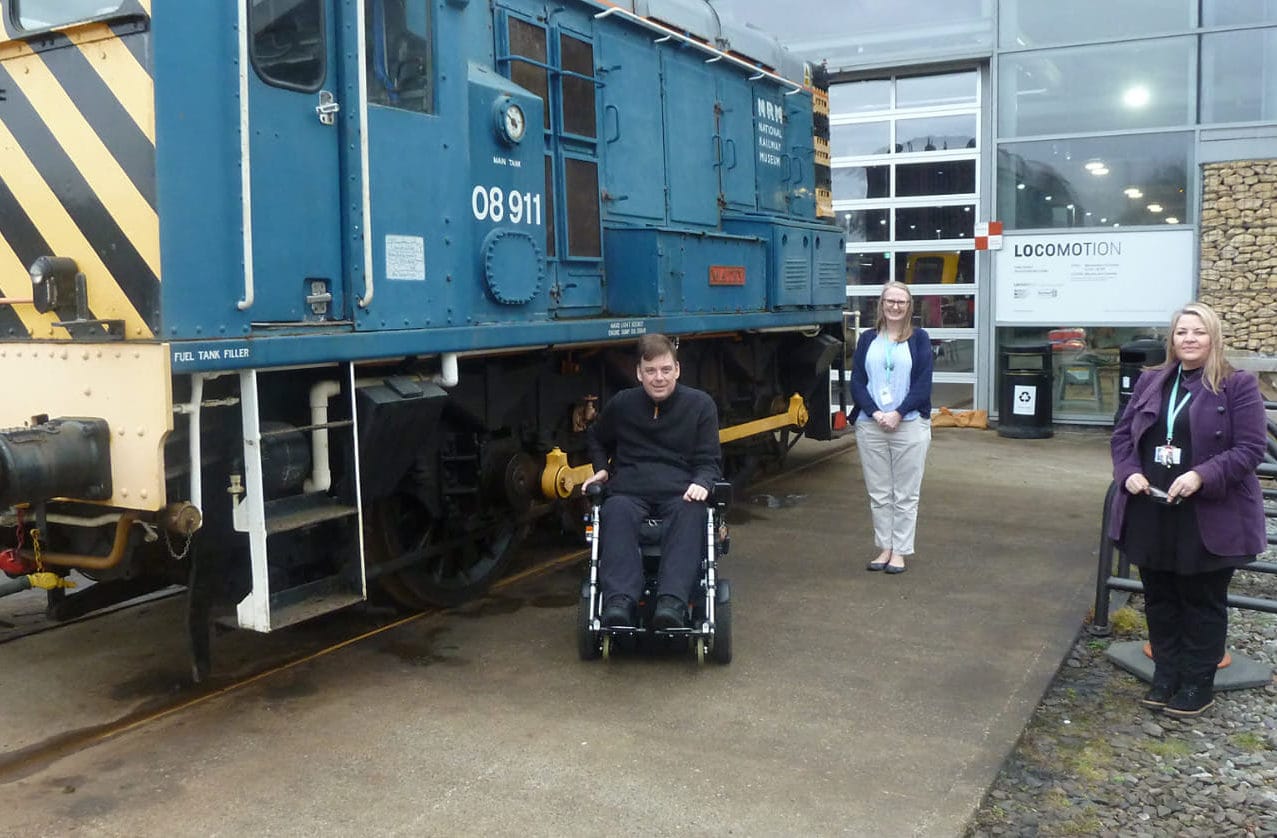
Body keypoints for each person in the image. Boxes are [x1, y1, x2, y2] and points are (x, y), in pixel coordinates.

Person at [1109, 301, 1266, 718]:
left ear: (1213, 337)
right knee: (1159, 597)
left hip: (1207, 512)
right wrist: (1127, 472)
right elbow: (1123, 436)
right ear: (1172, 340)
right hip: (1153, 506)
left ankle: (1198, 683)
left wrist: (1201, 475)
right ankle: (1165, 675)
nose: (1189, 339)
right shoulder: (1152, 381)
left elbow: (1250, 450)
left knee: (1201, 600)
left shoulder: (1239, 385)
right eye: (1182, 333)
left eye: (1198, 332)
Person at [581, 334, 723, 629]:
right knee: (615, 510)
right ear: (638, 373)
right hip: (629, 489)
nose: (659, 378)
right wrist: (601, 469)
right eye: (651, 371)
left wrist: (703, 481)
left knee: (692, 510)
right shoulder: (623, 404)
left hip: (679, 490)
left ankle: (672, 602)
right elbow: (595, 436)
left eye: (665, 370)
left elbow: (710, 461)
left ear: (677, 369)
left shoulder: (701, 405)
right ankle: (619, 601)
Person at [849, 282, 934, 575]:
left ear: (909, 306)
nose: (895, 306)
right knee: (879, 492)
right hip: (871, 426)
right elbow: (857, 381)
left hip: (909, 425)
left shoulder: (920, 338)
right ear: (881, 304)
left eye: (901, 301)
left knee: (906, 494)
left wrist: (898, 413)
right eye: (890, 301)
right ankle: (884, 546)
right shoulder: (868, 338)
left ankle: (900, 550)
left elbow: (923, 384)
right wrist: (874, 413)